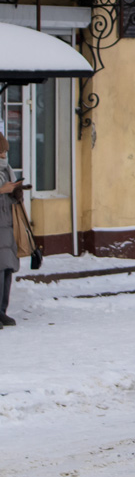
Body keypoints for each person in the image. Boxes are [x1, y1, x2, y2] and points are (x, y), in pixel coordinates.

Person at [0, 128, 25, 328]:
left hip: (8, 225)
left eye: (5, 151)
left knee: (7, 269)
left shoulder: (7, 169)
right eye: (1, 151)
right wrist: (2, 190)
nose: (3, 155)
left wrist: (17, 192)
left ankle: (2, 311)